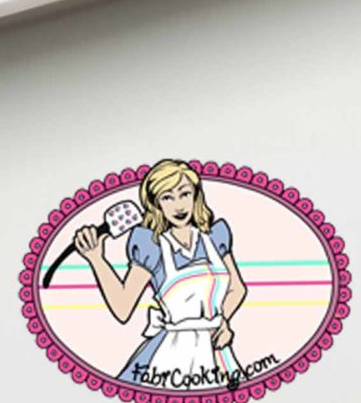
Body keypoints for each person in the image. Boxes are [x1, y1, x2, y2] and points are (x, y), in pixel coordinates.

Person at [76, 159, 248, 389]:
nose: (179, 205)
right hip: (170, 351)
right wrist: (96, 259)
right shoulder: (151, 246)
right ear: (156, 204)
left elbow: (237, 289)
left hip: (217, 348)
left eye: (184, 194)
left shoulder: (215, 237)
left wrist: (223, 322)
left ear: (196, 196)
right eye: (167, 197)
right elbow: (122, 306)